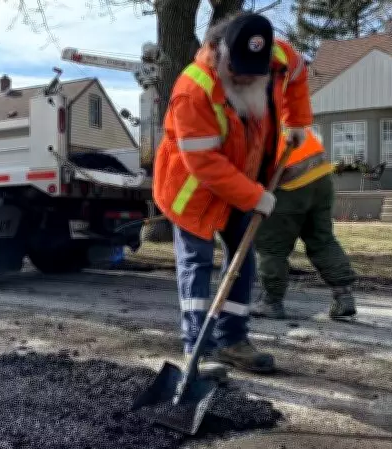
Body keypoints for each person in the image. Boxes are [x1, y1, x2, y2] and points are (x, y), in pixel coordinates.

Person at [152, 12, 281, 376]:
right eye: (238, 68)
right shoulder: (192, 90)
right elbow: (205, 162)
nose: (244, 76)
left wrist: (296, 135)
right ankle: (197, 348)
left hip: (238, 188)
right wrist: (254, 196)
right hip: (191, 192)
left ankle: (233, 341)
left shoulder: (258, 74)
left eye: (252, 70)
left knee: (243, 260)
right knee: (197, 263)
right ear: (219, 52)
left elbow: (260, 138)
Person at [249, 28, 358, 321]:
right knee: (321, 238)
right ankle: (343, 295)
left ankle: (271, 301)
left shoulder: (258, 114)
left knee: (271, 245)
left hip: (289, 184)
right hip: (321, 178)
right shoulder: (286, 106)